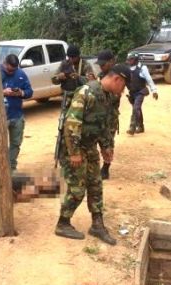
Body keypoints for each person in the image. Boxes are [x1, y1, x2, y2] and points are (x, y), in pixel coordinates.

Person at [55, 64, 130, 246]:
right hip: (73, 148)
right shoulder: (86, 92)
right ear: (116, 79)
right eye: (124, 84)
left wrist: (106, 147)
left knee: (96, 185)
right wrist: (73, 153)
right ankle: (63, 223)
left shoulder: (106, 96)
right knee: (77, 189)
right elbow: (72, 124)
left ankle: (97, 224)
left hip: (89, 147)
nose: (124, 89)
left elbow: (103, 125)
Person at [1, 54, 33, 171]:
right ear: (4, 63)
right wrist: (3, 92)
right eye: (9, 70)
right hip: (1, 117)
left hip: (17, 115)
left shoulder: (20, 74)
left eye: (13, 70)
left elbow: (30, 91)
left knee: (16, 143)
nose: (11, 72)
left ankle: (11, 168)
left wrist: (21, 93)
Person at [95, 49, 119, 180]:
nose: (101, 66)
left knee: (108, 142)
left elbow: (114, 98)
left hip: (110, 116)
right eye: (100, 64)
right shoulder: (101, 75)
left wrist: (99, 88)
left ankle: (106, 167)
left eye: (103, 64)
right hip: (98, 115)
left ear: (111, 62)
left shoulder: (117, 76)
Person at [125, 52, 158, 135]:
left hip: (140, 92)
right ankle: (141, 127)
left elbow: (149, 79)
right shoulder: (127, 69)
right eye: (129, 59)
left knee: (135, 108)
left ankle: (132, 127)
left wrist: (154, 90)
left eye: (131, 59)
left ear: (136, 60)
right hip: (132, 93)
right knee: (137, 109)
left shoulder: (142, 68)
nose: (129, 61)